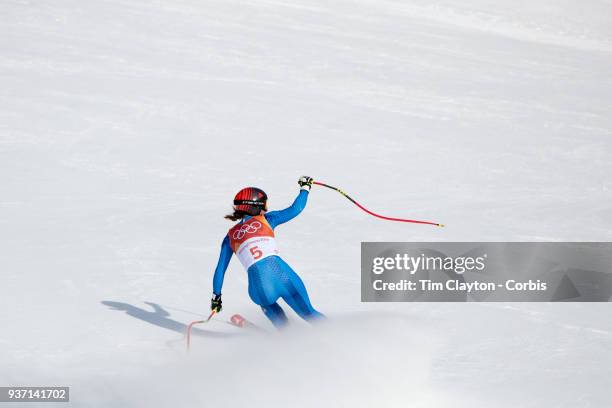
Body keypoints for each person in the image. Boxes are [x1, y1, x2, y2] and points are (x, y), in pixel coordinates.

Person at [210, 176, 324, 328]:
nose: (266, 208)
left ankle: (284, 341)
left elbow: (220, 270)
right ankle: (341, 340)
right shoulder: (267, 219)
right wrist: (305, 188)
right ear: (254, 206)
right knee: (310, 315)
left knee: (284, 328)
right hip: (281, 276)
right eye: (264, 204)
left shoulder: (229, 237)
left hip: (258, 290)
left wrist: (216, 297)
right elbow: (296, 209)